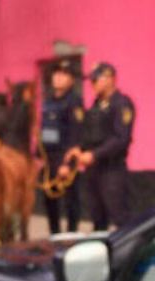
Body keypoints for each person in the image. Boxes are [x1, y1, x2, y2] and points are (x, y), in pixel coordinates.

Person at [64, 62, 135, 231]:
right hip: (93, 171)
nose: (92, 84)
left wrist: (94, 155)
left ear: (109, 79)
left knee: (120, 217)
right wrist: (78, 149)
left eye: (96, 79)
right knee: (97, 218)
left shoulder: (122, 104)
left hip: (112, 170)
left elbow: (121, 139)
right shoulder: (96, 106)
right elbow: (90, 135)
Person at [40, 60, 84, 235]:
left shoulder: (74, 101)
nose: (58, 77)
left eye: (64, 74)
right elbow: (45, 130)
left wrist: (68, 164)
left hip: (65, 158)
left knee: (70, 201)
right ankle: (55, 235)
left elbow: (77, 133)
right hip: (48, 158)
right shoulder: (48, 101)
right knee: (50, 200)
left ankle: (71, 235)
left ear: (71, 80)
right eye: (56, 73)